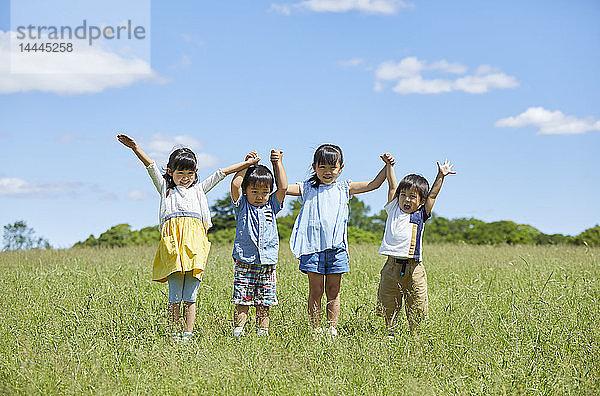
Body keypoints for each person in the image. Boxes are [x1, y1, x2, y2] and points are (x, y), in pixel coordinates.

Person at [117, 133, 258, 342]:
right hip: (173, 246)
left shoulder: (199, 190)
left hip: (195, 247)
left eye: (189, 172)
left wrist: (246, 164)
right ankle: (174, 335)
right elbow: (150, 165)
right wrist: (135, 147)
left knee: (190, 297)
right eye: (180, 172)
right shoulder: (165, 189)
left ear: (196, 172)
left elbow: (222, 173)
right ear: (170, 172)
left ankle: (188, 335)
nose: (185, 177)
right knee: (175, 296)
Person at [287, 144, 395, 336]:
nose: (327, 172)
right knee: (316, 291)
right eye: (322, 168)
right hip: (312, 249)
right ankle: (315, 329)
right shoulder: (307, 188)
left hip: (337, 249)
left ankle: (331, 329)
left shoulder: (344, 188)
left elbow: (374, 184)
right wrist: (275, 163)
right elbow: (282, 187)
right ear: (314, 167)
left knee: (333, 290)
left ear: (341, 168)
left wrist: (387, 166)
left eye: (332, 168)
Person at [377, 159, 456, 337]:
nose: (406, 199)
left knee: (417, 304)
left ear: (421, 201)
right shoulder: (393, 209)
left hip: (414, 268)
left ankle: (416, 336)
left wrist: (440, 176)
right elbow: (392, 185)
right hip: (391, 266)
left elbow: (433, 195)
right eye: (403, 195)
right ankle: (390, 332)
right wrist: (390, 166)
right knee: (389, 301)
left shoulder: (420, 214)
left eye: (412, 197)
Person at [229, 149, 287, 337]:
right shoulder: (242, 204)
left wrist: (277, 163)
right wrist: (246, 165)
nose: (259, 196)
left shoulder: (272, 204)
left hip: (267, 261)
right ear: (246, 191)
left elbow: (284, 187)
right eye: (254, 191)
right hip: (245, 260)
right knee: (242, 299)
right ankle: (239, 331)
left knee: (265, 300)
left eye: (264, 192)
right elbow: (235, 184)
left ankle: (262, 331)